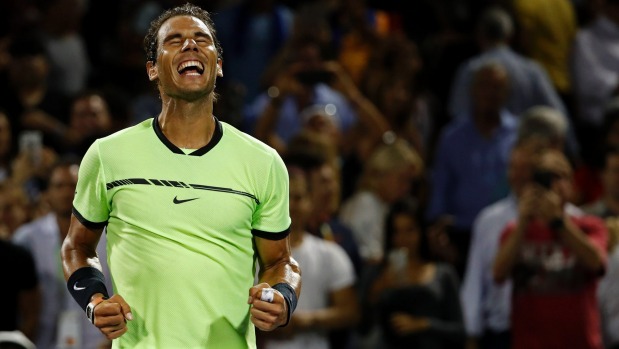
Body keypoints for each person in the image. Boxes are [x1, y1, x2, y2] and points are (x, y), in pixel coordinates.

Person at [60, 4, 301, 349]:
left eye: (202, 40)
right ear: (152, 70)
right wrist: (94, 301)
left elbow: (280, 260)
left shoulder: (263, 162)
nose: (190, 45)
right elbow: (77, 246)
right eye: (174, 40)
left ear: (218, 66)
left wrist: (281, 297)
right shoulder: (107, 155)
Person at [493, 148, 607, 349]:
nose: (553, 185)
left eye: (560, 176)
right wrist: (523, 223)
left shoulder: (590, 226)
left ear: (572, 185)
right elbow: (498, 274)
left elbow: (596, 263)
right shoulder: (514, 230)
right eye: (545, 177)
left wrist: (558, 222)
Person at [13, 158, 112, 349]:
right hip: (41, 342)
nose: (67, 193)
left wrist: (110, 341)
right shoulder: (27, 238)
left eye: (73, 186)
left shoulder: (108, 236)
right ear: (47, 193)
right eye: (59, 186)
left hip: (95, 342)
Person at [258, 166, 359, 349]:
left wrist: (308, 320)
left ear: (310, 202)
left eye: (297, 198)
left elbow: (350, 311)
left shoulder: (331, 254)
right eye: (284, 197)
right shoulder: (252, 255)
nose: (290, 205)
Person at [366, 199, 465, 349]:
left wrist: (423, 324)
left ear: (421, 231)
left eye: (410, 230)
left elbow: (459, 331)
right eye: (396, 232)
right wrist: (377, 290)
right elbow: (361, 325)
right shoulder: (377, 272)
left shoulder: (443, 273)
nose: (403, 239)